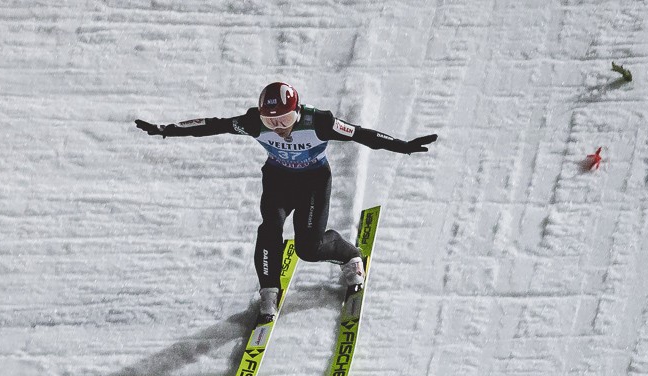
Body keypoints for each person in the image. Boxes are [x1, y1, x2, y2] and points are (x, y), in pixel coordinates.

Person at [135, 81, 437, 323]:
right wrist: (167, 130)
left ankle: (349, 254)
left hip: (313, 184)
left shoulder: (320, 122)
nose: (279, 127)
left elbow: (361, 135)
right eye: (271, 121)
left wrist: (403, 146)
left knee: (308, 249)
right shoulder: (253, 123)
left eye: (285, 120)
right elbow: (213, 125)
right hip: (278, 181)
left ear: (297, 111)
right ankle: (269, 289)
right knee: (270, 228)